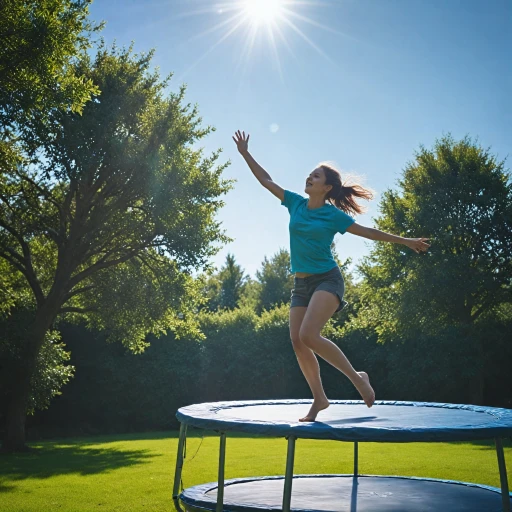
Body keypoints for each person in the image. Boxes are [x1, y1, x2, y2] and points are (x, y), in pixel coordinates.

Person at [232, 130, 430, 422]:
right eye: (309, 175)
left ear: (326, 188)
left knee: (309, 335)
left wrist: (406, 241)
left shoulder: (333, 215)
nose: (309, 178)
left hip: (327, 279)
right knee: (298, 341)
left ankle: (358, 378)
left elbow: (369, 233)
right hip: (300, 284)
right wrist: (246, 153)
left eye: (315, 176)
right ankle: (320, 399)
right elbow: (266, 181)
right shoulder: (296, 203)